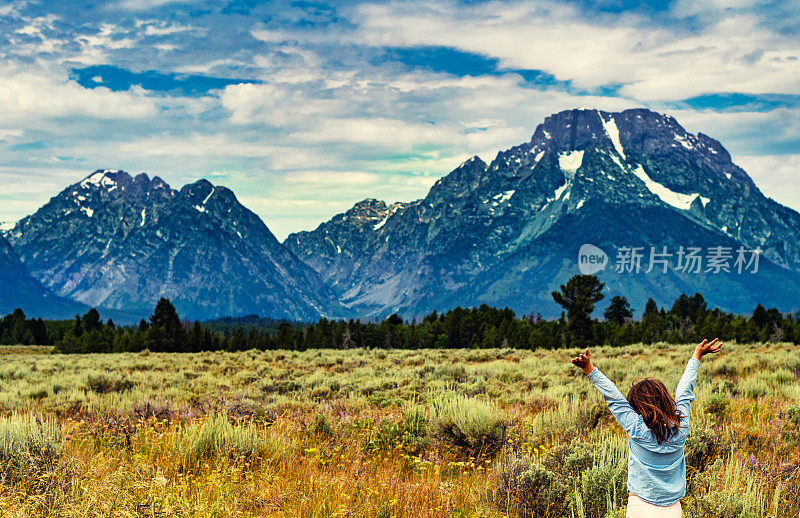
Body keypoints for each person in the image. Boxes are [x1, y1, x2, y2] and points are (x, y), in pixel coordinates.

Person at [570, 338, 723, 517]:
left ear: (637, 407)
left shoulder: (636, 428)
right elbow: (684, 392)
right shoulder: (681, 426)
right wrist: (696, 356)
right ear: (666, 399)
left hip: (639, 507)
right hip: (673, 509)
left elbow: (614, 398)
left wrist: (589, 369)